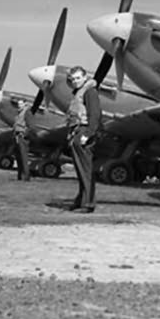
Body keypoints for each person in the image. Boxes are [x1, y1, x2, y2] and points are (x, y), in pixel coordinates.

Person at [65, 66, 102, 213]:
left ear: (85, 77)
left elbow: (95, 114)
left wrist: (88, 134)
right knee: (80, 170)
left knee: (86, 170)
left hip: (84, 132)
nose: (75, 81)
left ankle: (89, 203)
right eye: (73, 79)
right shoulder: (78, 93)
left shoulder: (90, 92)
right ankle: (81, 200)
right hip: (76, 132)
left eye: (78, 78)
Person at [13, 99, 32, 181]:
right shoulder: (18, 113)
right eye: (18, 104)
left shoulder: (27, 112)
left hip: (22, 136)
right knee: (18, 157)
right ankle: (20, 176)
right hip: (17, 136)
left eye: (20, 104)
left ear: (25, 104)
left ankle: (26, 176)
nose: (19, 105)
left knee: (24, 157)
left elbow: (30, 125)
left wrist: (24, 134)